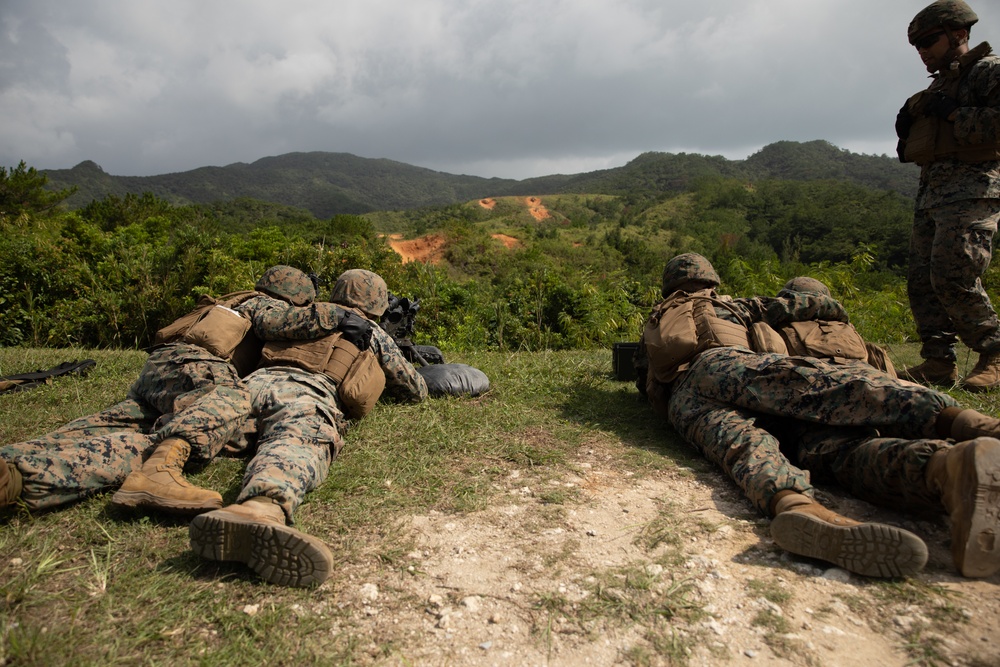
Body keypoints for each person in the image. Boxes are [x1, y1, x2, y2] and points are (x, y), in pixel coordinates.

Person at [634, 253, 1000, 579]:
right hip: (725, 363)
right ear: (712, 281)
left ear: (669, 284)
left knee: (741, 445)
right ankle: (961, 434)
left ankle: (796, 504)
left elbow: (643, 377)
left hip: (683, 400)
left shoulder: (657, 316)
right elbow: (786, 310)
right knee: (827, 390)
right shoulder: (732, 306)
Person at [0, 266, 343, 514]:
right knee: (231, 401)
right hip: (199, 365)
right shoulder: (262, 303)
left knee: (125, 423)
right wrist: (336, 315)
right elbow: (278, 323)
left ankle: (14, 465)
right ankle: (158, 474)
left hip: (160, 368)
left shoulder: (225, 302)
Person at [188, 269, 428, 588]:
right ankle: (261, 508)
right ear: (378, 303)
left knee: (188, 434)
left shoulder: (304, 313)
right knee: (297, 441)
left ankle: (154, 467)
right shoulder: (370, 330)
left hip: (246, 388)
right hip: (306, 395)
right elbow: (414, 390)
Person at [894, 0, 1000, 390]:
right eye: (917, 45)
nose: (922, 50)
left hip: (973, 191)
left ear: (958, 34)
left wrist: (955, 113)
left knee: (953, 276)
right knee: (921, 282)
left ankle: (994, 353)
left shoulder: (989, 72)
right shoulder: (939, 85)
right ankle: (938, 362)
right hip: (933, 195)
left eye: (928, 41)